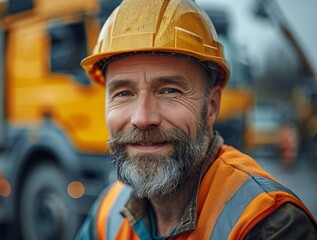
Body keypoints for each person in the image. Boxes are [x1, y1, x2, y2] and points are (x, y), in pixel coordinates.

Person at [75, 0, 317, 239]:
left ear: (211, 107)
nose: (142, 118)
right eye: (124, 93)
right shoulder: (108, 211)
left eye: (170, 90)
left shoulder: (266, 222)